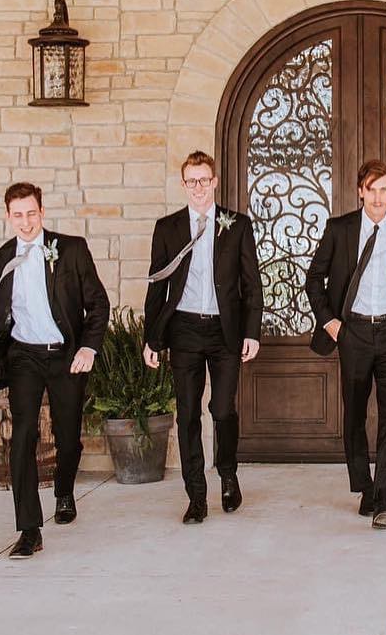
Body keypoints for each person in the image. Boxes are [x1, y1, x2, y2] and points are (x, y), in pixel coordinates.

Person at [0, 182, 109, 559]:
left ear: (42, 213)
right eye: (18, 215)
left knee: (68, 436)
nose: (26, 221)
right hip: (24, 357)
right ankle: (29, 528)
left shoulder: (71, 249)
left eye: (32, 213)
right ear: (8, 216)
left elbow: (98, 303)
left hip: (65, 353)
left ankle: (64, 491)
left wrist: (88, 347)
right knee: (24, 434)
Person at [305, 160, 386, 530]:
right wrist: (331, 324)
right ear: (360, 191)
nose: (378, 197)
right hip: (353, 332)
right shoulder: (339, 229)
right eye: (371, 189)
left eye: (384, 190)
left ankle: (384, 500)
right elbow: (315, 279)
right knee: (355, 413)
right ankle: (364, 485)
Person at [143, 151, 264, 524]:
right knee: (188, 414)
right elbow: (156, 287)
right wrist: (152, 339)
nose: (197, 187)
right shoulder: (167, 228)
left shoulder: (237, 225)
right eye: (190, 181)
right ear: (184, 185)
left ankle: (227, 473)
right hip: (183, 330)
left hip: (224, 330)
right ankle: (196, 495)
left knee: (222, 409)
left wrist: (252, 332)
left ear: (213, 182)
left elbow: (251, 284)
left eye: (203, 180)